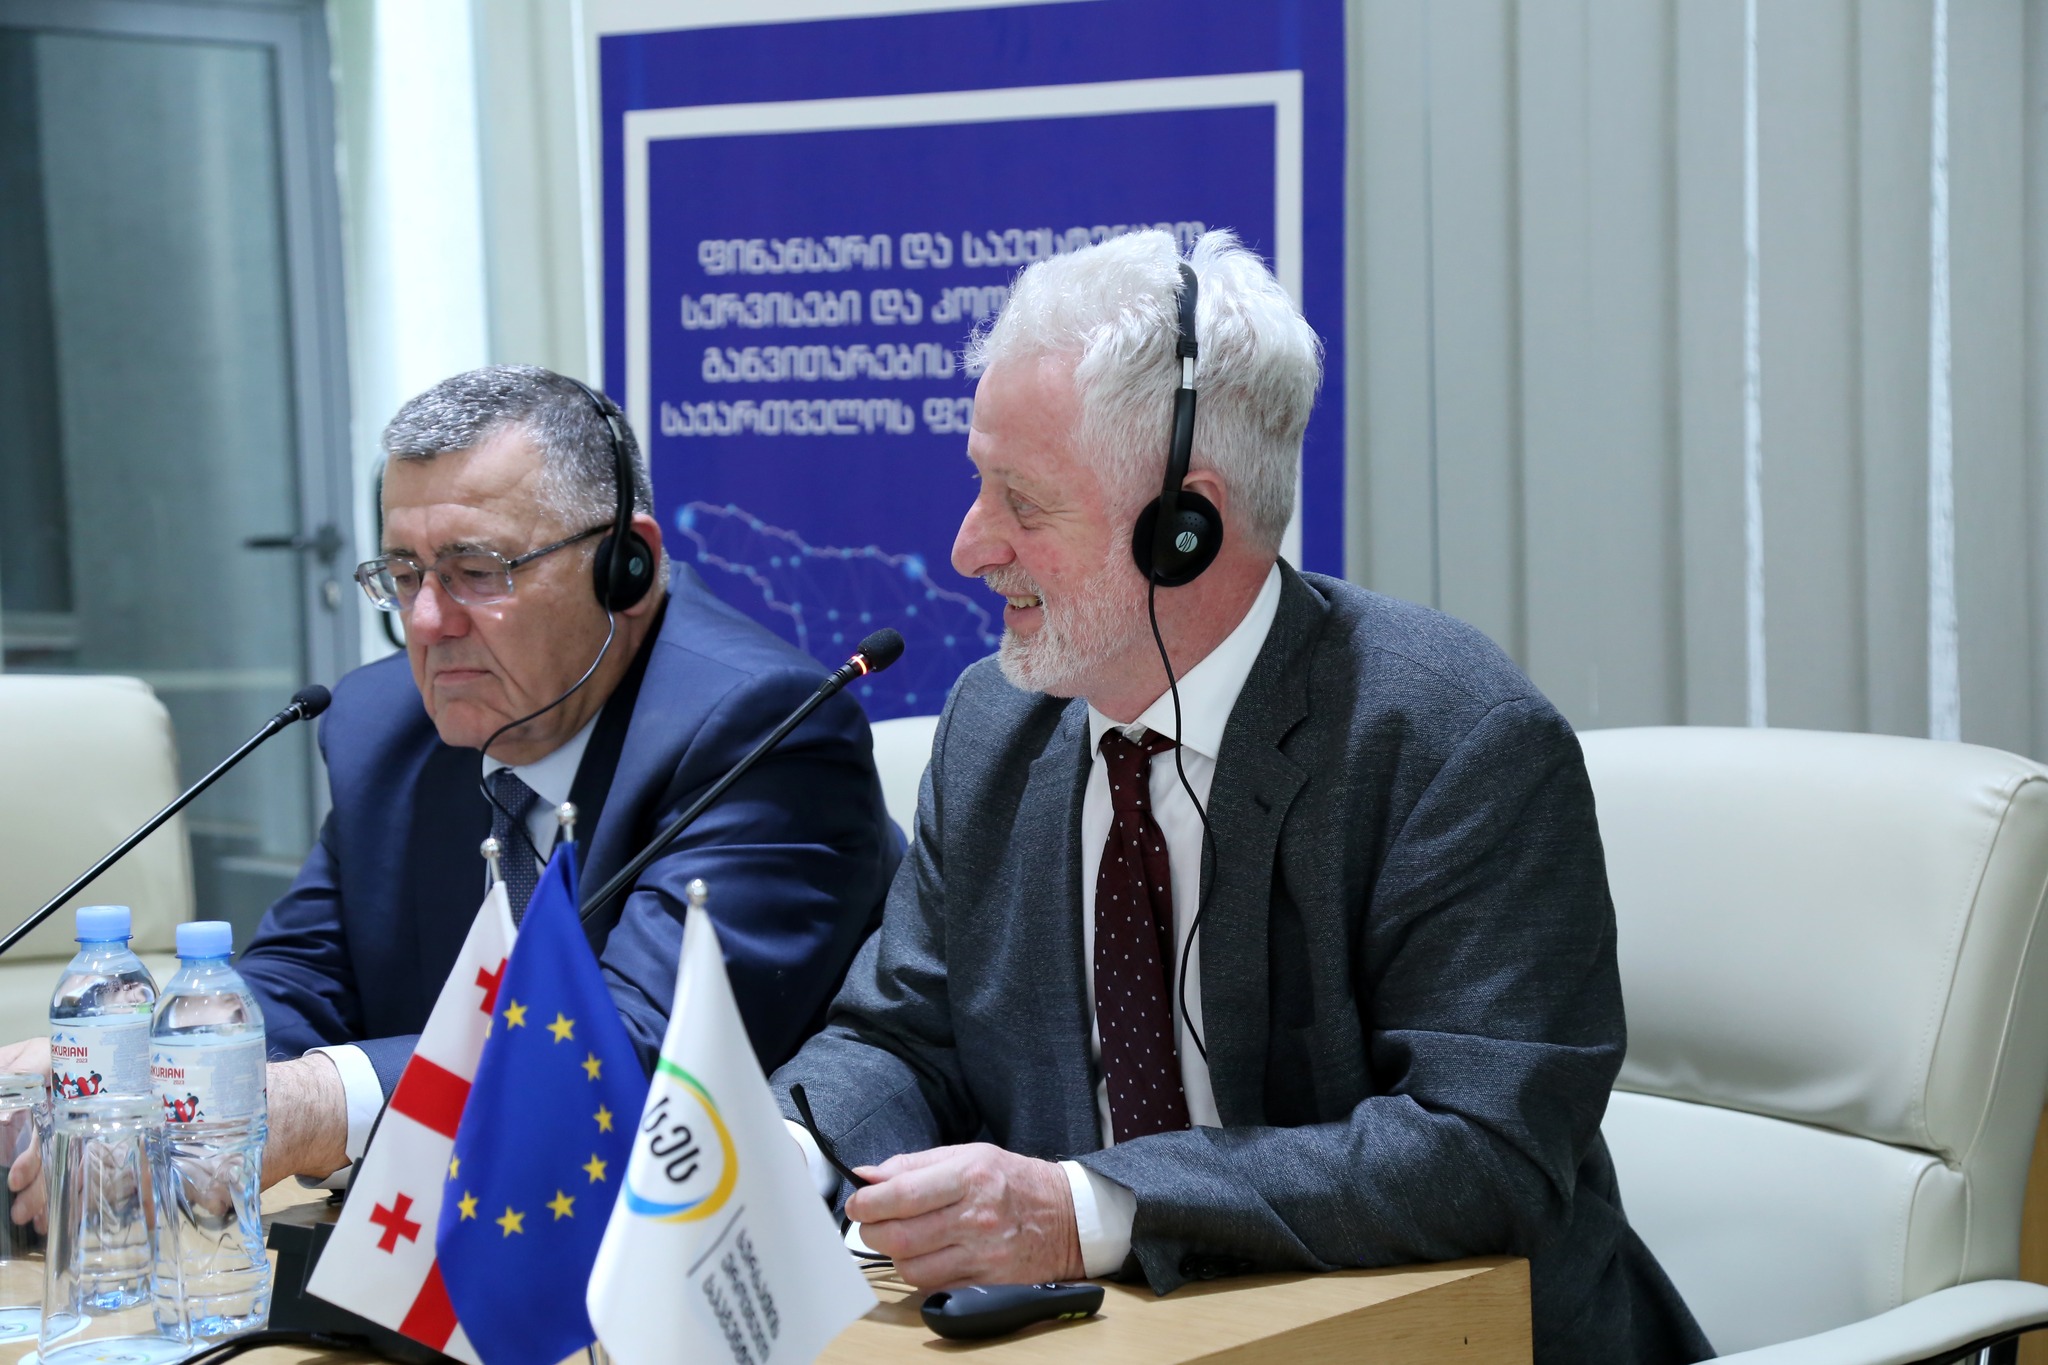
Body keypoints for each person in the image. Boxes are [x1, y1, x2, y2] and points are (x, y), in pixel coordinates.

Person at [770, 232, 1712, 1364]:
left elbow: (1484, 1153)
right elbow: (900, 1035)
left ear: (1185, 527)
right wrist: (784, 1154)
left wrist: (1089, 1209)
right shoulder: (992, 727)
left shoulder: (1450, 742)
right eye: (980, 484)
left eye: (1020, 500)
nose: (970, 545)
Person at [1, 366, 899, 1200]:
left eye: (477, 572)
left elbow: (632, 1049)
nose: (427, 623)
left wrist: (316, 1104)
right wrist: (154, 1068)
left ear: (624, 568)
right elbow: (303, 977)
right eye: (403, 574)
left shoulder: (766, 731)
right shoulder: (385, 727)